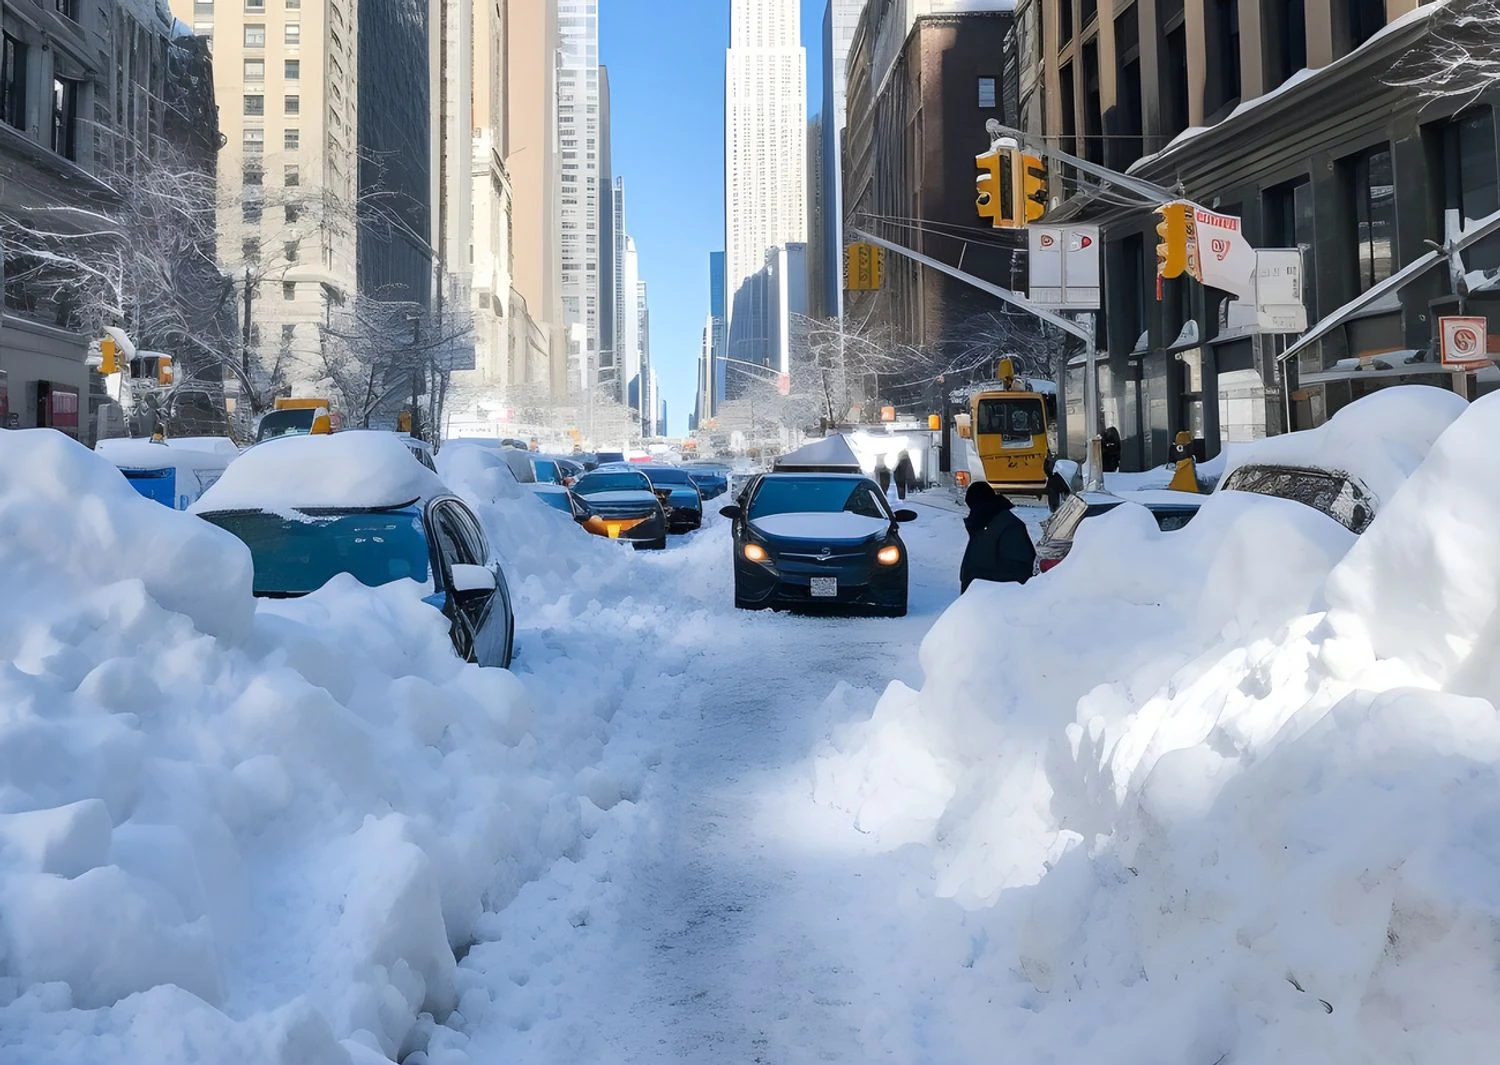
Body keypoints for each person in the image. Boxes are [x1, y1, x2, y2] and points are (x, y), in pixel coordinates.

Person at [960, 482, 1037, 593]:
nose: (971, 512)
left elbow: (1021, 572)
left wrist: (977, 578)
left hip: (998, 595)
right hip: (982, 594)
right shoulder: (985, 523)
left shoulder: (1006, 526)